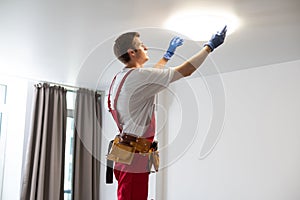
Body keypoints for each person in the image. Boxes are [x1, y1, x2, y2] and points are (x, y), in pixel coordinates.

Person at [108, 26, 227, 200]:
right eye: (142, 45)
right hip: (134, 157)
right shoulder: (137, 77)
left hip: (127, 154)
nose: (146, 48)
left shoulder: (122, 77)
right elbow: (186, 70)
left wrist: (167, 56)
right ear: (132, 52)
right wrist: (209, 47)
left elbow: (151, 77)